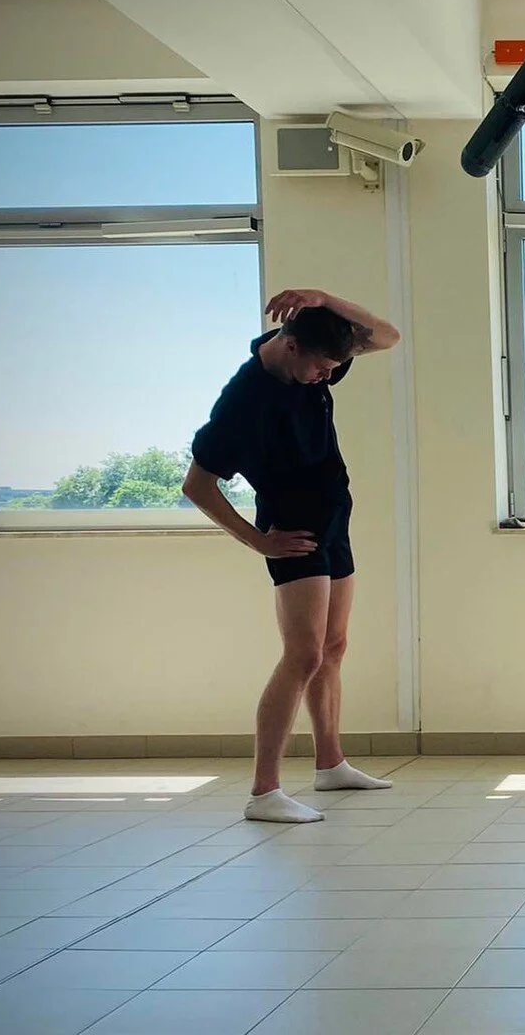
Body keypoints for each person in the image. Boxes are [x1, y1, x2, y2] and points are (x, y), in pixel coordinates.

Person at [182, 289, 403, 824]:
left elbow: (387, 336)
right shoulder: (243, 402)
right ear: (291, 346)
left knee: (333, 646)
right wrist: (258, 541)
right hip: (293, 531)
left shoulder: (312, 353)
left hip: (333, 522)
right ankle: (264, 792)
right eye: (321, 368)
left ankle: (331, 764)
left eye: (334, 368)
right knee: (301, 655)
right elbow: (198, 485)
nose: (326, 377)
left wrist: (325, 298)